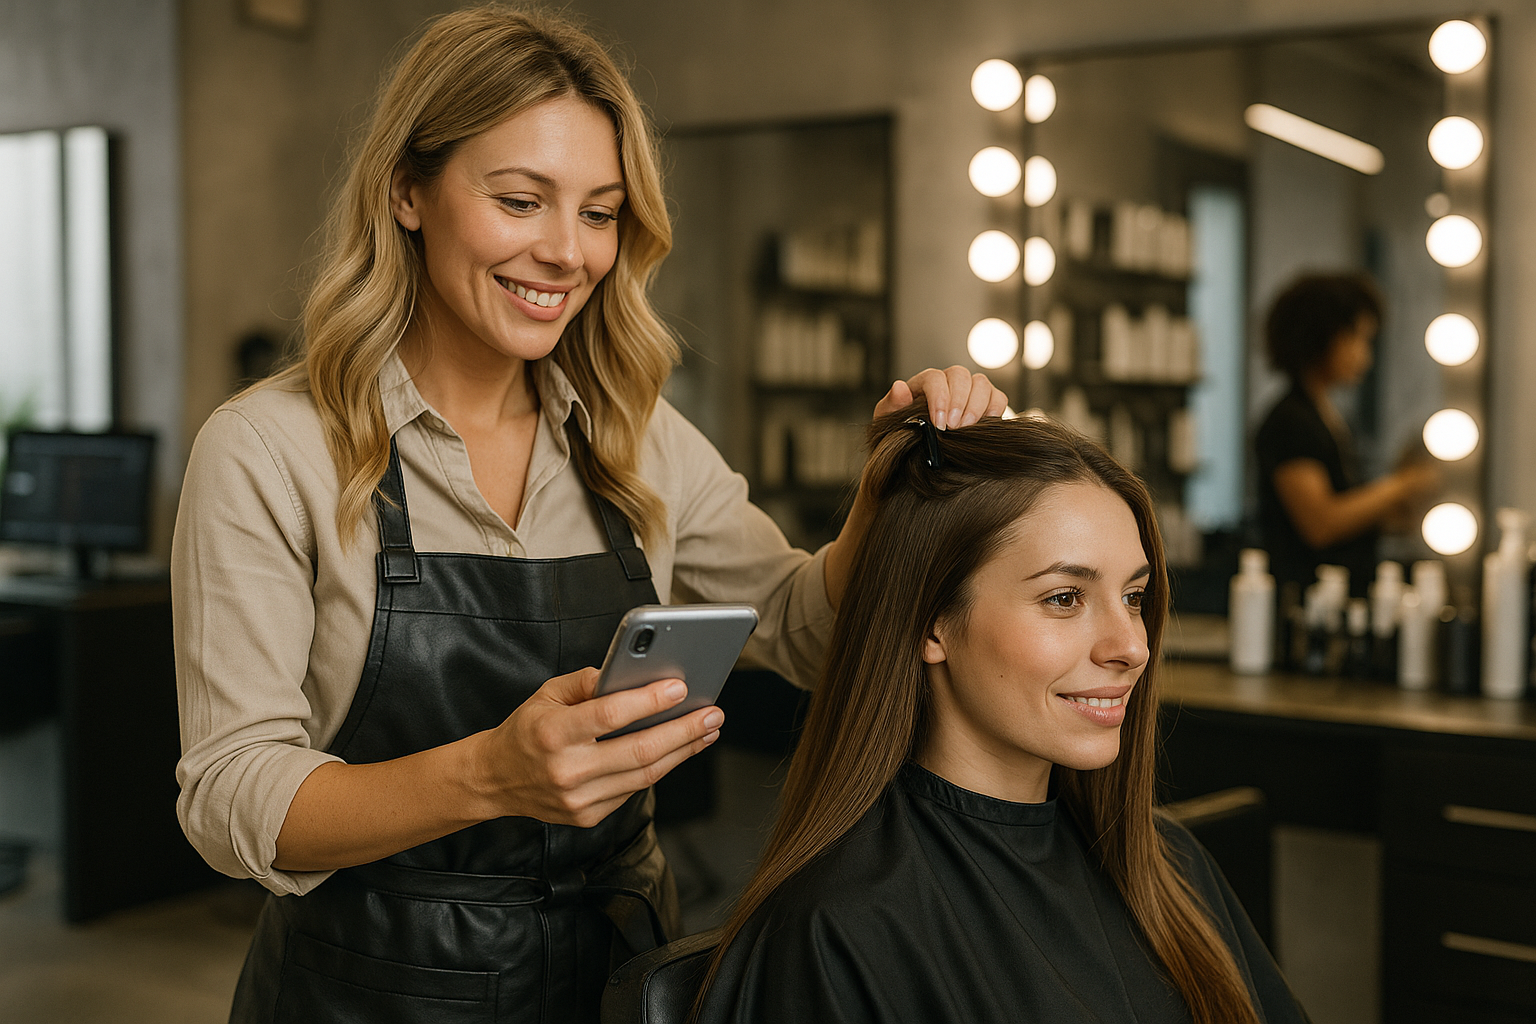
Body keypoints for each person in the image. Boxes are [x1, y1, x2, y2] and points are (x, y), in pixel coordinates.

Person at [170, 8, 1005, 1024]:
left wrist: (880, 502)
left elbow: (807, 631)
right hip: (367, 991)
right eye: (522, 200)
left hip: (615, 982)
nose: (567, 252)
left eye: (601, 213)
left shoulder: (635, 434)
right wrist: (490, 773)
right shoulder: (269, 449)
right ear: (406, 190)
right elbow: (230, 798)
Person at [696, 410, 1309, 1024]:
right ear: (930, 621)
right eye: (1064, 598)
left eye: (1133, 597)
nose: (1132, 646)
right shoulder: (841, 930)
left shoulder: (1163, 865)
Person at [1255, 274, 1438, 597]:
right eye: (1358, 339)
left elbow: (1345, 511)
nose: (1365, 356)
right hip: (1305, 603)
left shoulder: (1330, 418)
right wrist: (1402, 484)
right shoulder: (1290, 421)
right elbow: (1320, 524)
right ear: (1322, 336)